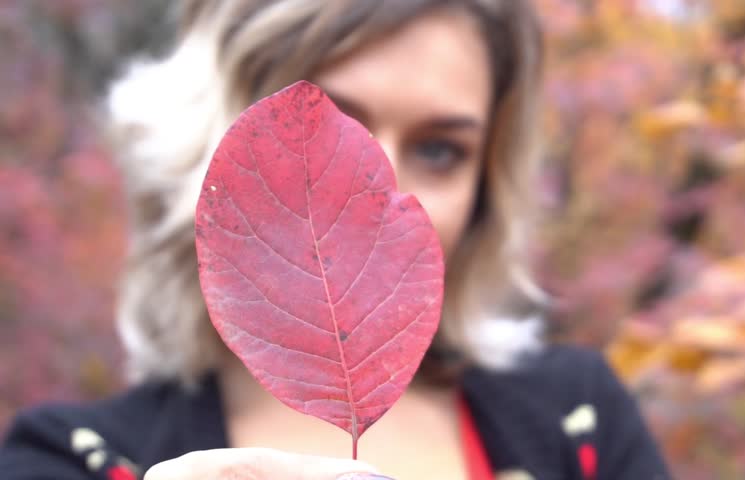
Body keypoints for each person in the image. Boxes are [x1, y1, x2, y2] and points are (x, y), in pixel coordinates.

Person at [0, 1, 670, 479]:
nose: (375, 190)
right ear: (201, 139)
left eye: (440, 150)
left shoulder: (580, 418)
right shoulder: (71, 458)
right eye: (330, 132)